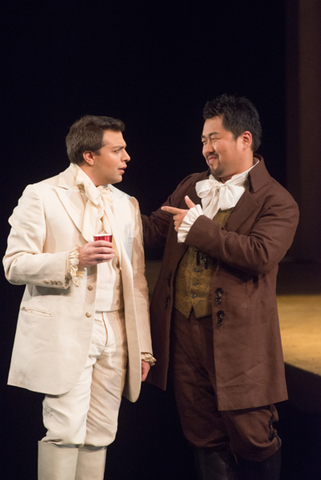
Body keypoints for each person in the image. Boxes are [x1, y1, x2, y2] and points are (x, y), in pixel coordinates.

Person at [142, 94, 299, 480]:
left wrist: (199, 229)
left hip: (239, 341)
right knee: (202, 434)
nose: (206, 149)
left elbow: (259, 253)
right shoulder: (192, 186)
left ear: (245, 139)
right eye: (202, 140)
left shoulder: (276, 200)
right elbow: (152, 231)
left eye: (214, 138)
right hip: (183, 331)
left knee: (251, 434)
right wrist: (104, 203)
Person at [3, 115, 155, 480]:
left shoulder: (125, 204)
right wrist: (73, 259)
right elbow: (14, 264)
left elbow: (136, 282)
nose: (127, 157)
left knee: (101, 433)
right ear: (89, 155)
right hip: (65, 332)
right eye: (117, 150)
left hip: (114, 332)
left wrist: (143, 347)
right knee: (65, 431)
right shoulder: (41, 194)